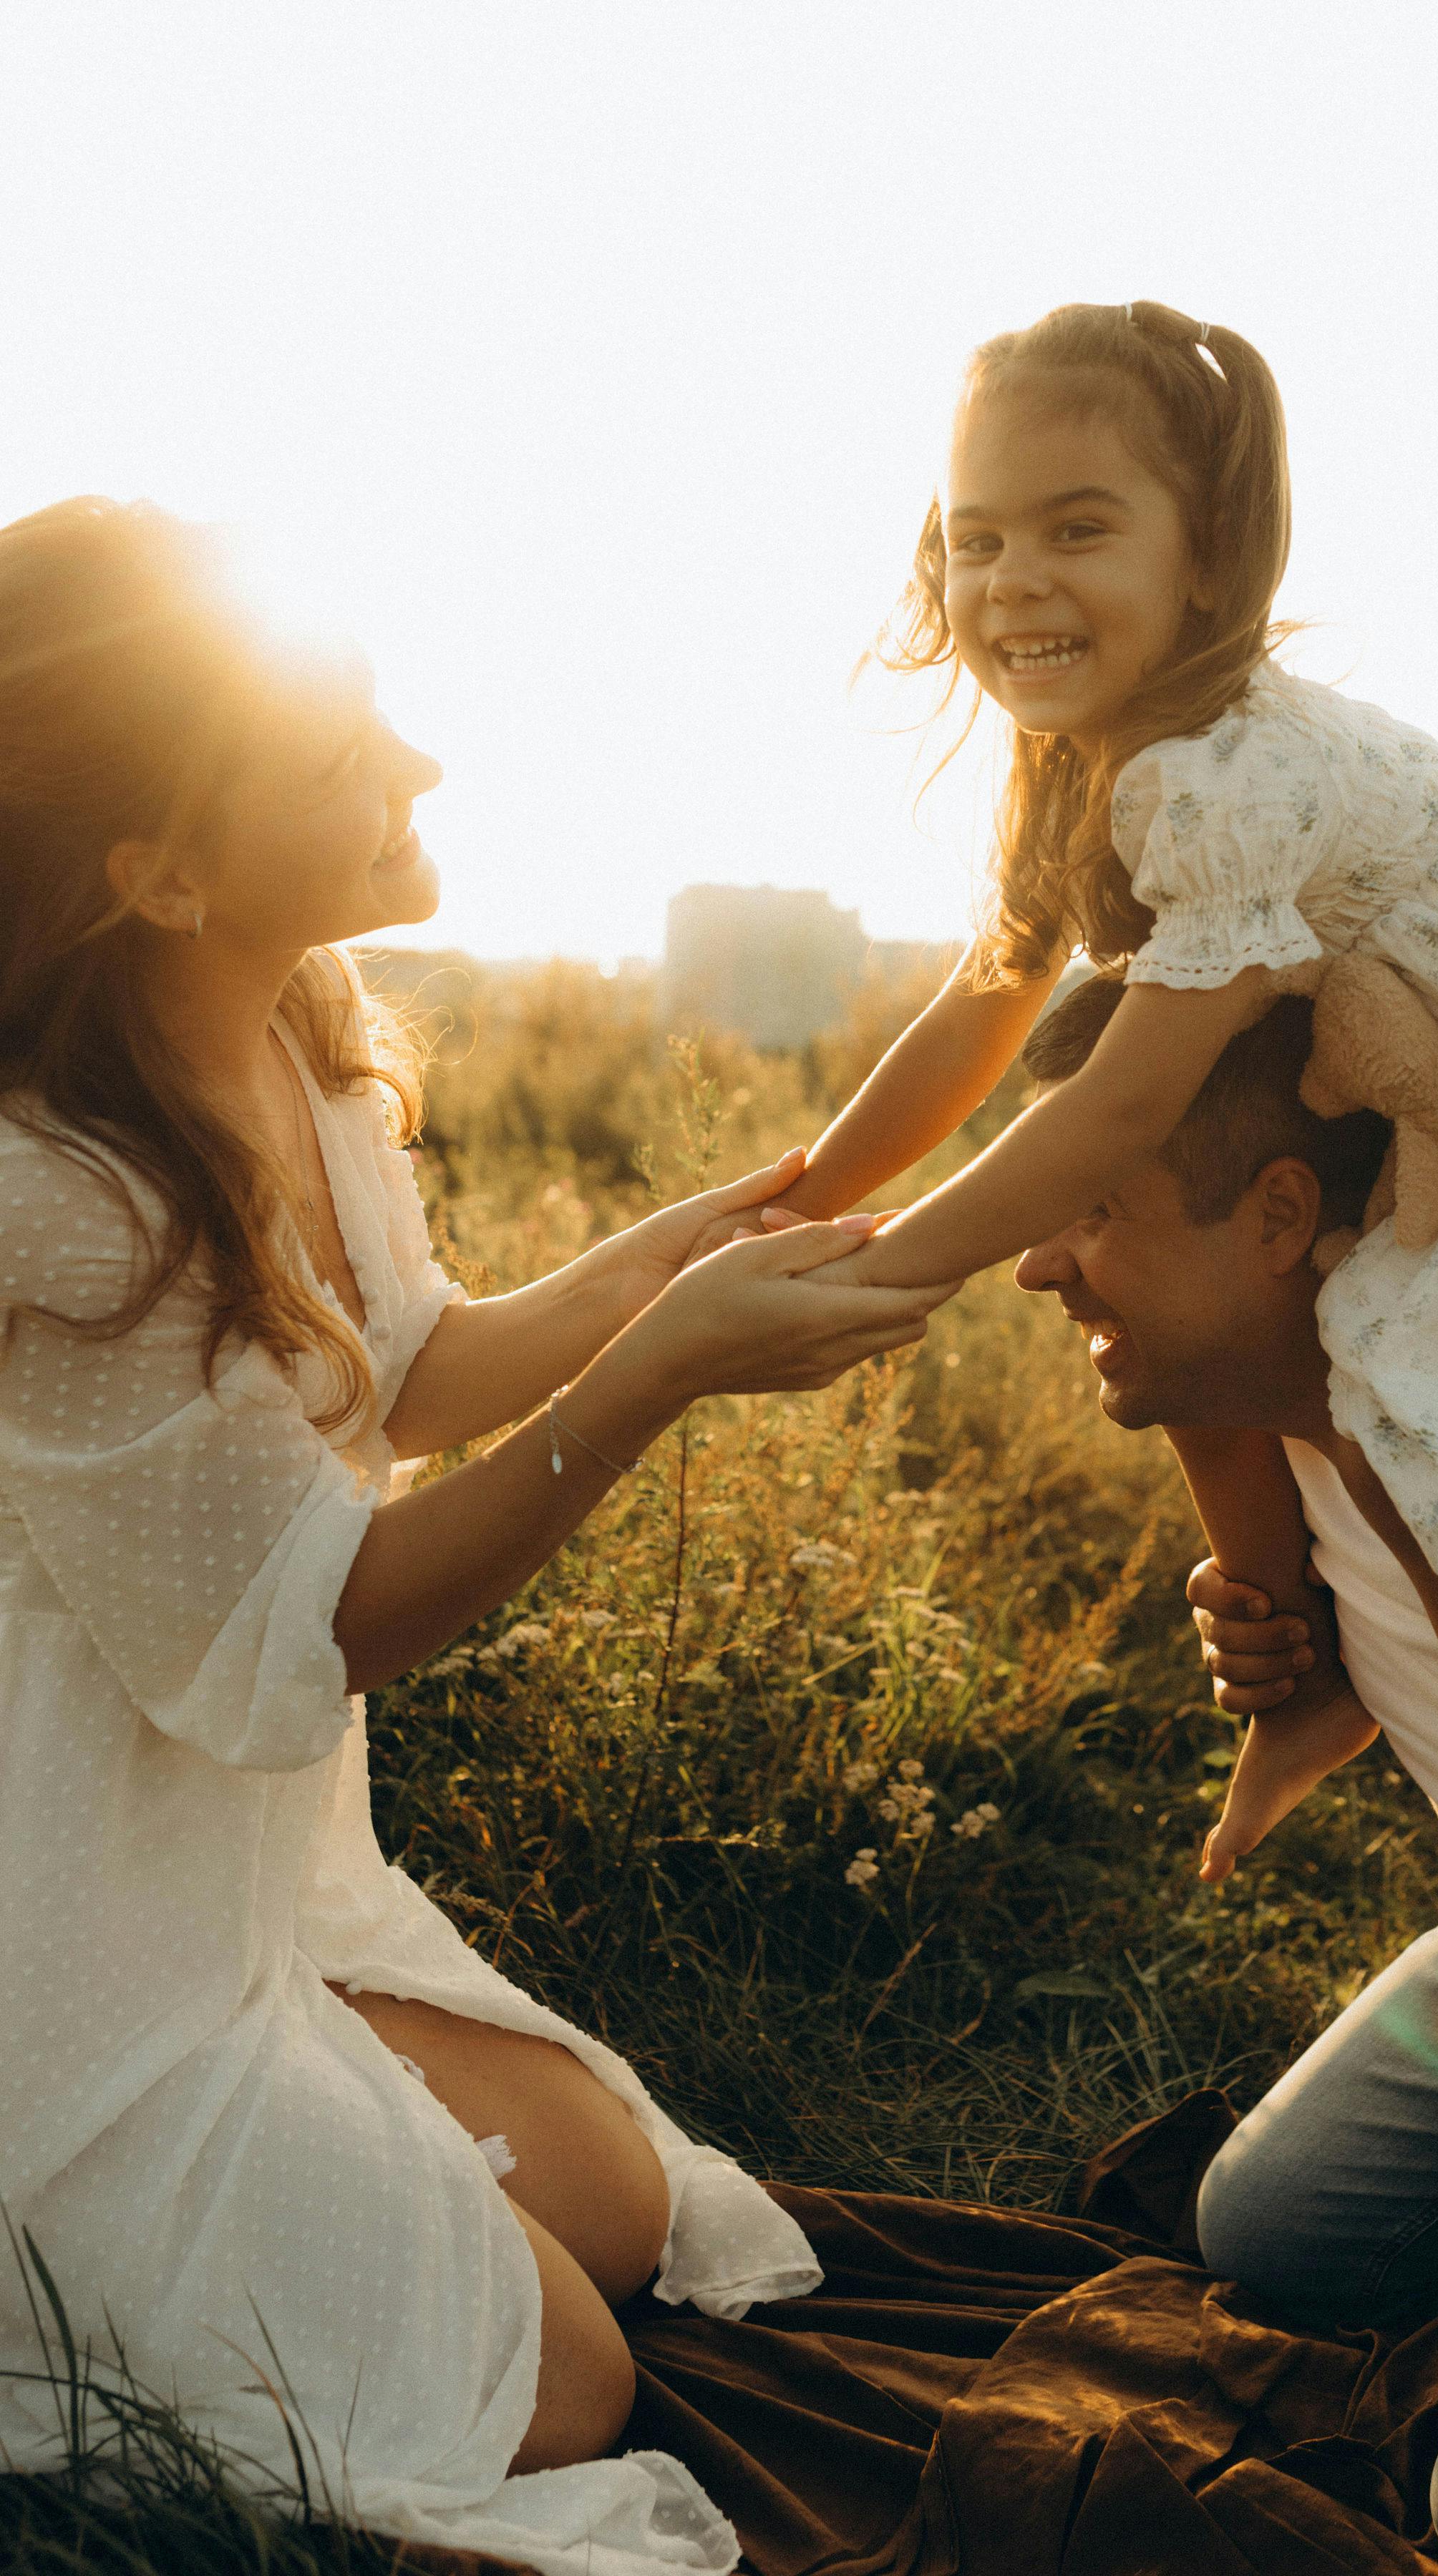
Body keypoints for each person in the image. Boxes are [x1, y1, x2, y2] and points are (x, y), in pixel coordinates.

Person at [0, 498, 957, 2576]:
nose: (416, 769)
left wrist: (685, 1250)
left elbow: (415, 1367)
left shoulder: (291, 1018)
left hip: (253, 1891)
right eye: (338, 757)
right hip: (65, 1937)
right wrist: (657, 1379)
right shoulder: (57, 1196)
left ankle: (299, 2143)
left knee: (617, 2213)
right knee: (556, 2388)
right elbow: (324, 1621)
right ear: (152, 869)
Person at [757, 293, 1438, 2088]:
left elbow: (1126, 1094)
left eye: (1078, 527)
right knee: (1199, 1344)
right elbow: (990, 1003)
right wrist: (817, 1186)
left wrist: (910, 1260)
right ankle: (1308, 1683)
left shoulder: (1219, 768)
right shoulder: (1076, 765)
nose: (1013, 579)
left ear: (1209, 567)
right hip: (1347, 1028)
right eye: (975, 538)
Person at [1015, 970, 1438, 2576]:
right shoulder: (1300, 1405)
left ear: (1277, 1216)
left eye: (1092, 1208)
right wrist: (1316, 1673)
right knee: (1274, 2233)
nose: (1036, 1263)